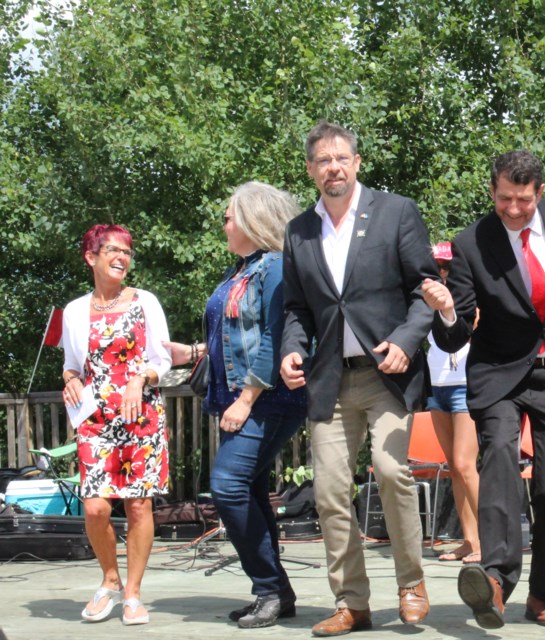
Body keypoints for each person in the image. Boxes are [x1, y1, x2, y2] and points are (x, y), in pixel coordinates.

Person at [423, 150, 545, 629]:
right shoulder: (471, 243)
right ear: (491, 190)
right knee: (497, 458)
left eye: (523, 200)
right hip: (499, 372)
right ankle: (494, 581)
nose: (513, 209)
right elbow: (455, 336)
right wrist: (447, 310)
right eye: (504, 199)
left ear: (540, 192)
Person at [279, 121, 438, 637]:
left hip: (385, 375)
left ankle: (411, 585)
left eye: (341, 158)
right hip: (328, 380)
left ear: (357, 162)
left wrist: (407, 340)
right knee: (328, 492)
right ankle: (353, 604)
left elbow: (425, 288)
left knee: (393, 474)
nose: (334, 168)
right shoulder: (299, 230)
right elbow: (297, 308)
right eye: (323, 161)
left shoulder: (396, 212)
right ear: (310, 169)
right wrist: (290, 351)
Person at [165, 182, 307, 628]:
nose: (223, 224)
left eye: (229, 216)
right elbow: (230, 338)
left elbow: (273, 336)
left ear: (252, 220)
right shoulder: (240, 270)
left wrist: (247, 398)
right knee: (246, 489)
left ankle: (268, 587)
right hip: (243, 397)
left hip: (270, 397)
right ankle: (276, 592)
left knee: (227, 485)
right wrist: (191, 353)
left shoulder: (276, 268)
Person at [61, 224, 171, 625]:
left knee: (139, 505)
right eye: (112, 250)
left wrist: (140, 378)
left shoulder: (146, 302)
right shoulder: (74, 310)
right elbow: (71, 367)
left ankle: (132, 594)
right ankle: (109, 579)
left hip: (139, 416)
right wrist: (70, 382)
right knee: (94, 508)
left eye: (127, 250)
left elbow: (163, 360)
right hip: (95, 419)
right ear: (91, 257)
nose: (121, 257)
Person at [427, 241, 481, 565]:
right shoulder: (426, 299)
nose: (441, 273)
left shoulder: (470, 296)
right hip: (437, 386)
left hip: (465, 383)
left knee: (464, 464)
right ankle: (468, 540)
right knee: (454, 468)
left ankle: (490, 541)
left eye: (445, 267)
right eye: (436, 267)